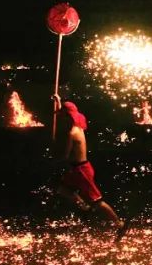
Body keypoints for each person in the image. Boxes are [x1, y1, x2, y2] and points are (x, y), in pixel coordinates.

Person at [53, 95, 127, 239]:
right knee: (62, 189)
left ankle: (120, 224)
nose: (62, 118)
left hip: (82, 171)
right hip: (76, 170)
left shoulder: (72, 133)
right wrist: (58, 101)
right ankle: (85, 207)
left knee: (97, 201)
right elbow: (61, 115)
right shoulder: (78, 127)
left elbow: (65, 155)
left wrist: (54, 152)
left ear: (68, 117)